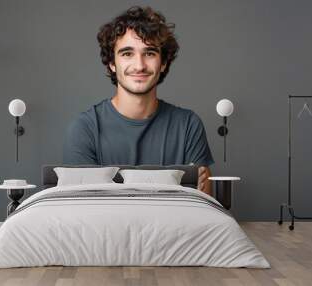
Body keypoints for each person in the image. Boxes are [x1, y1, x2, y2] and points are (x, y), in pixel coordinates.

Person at [63, 6, 214, 195]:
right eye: (127, 53)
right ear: (112, 63)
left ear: (163, 63)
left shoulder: (188, 125)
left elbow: (202, 208)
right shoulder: (85, 129)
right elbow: (84, 211)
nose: (139, 65)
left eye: (149, 53)